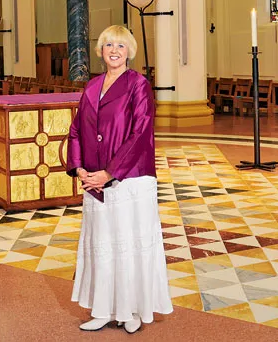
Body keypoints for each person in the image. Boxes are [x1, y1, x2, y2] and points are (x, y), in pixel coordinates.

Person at [66, 25, 173, 335]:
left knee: (129, 244)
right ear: (100, 50)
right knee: (103, 245)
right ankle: (102, 309)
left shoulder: (138, 85)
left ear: (130, 52)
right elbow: (76, 131)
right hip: (95, 183)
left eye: (121, 46)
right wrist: (79, 168)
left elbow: (141, 133)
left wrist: (110, 172)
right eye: (109, 44)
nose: (114, 50)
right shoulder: (91, 86)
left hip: (130, 179)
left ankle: (133, 311)